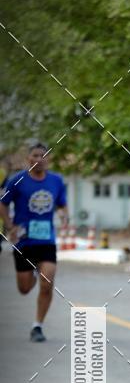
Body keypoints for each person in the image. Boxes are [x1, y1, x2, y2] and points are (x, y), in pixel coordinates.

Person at [0, 143, 68, 342]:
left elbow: (62, 204)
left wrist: (64, 216)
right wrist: (10, 225)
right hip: (23, 241)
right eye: (35, 155)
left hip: (46, 240)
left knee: (47, 283)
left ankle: (37, 325)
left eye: (43, 155)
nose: (39, 158)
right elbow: (2, 204)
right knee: (24, 288)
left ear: (48, 159)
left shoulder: (56, 181)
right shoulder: (17, 180)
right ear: (28, 159)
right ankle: (33, 275)